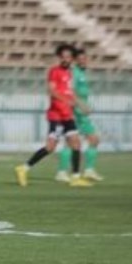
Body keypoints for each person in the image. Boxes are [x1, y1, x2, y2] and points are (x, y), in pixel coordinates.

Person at [14, 44, 92, 188]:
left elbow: (70, 92)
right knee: (50, 147)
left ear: (72, 59)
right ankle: (23, 168)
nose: (65, 59)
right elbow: (52, 91)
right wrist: (66, 101)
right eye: (63, 57)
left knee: (76, 144)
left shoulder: (69, 74)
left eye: (68, 57)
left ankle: (75, 177)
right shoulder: (54, 71)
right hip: (56, 116)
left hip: (67, 115)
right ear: (59, 57)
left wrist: (81, 105)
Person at [56, 47, 103, 182]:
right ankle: (62, 172)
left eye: (85, 58)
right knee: (72, 143)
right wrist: (80, 106)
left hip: (81, 113)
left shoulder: (81, 73)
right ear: (75, 61)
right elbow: (70, 91)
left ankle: (88, 170)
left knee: (93, 140)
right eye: (80, 59)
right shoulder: (74, 74)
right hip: (76, 113)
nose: (83, 61)